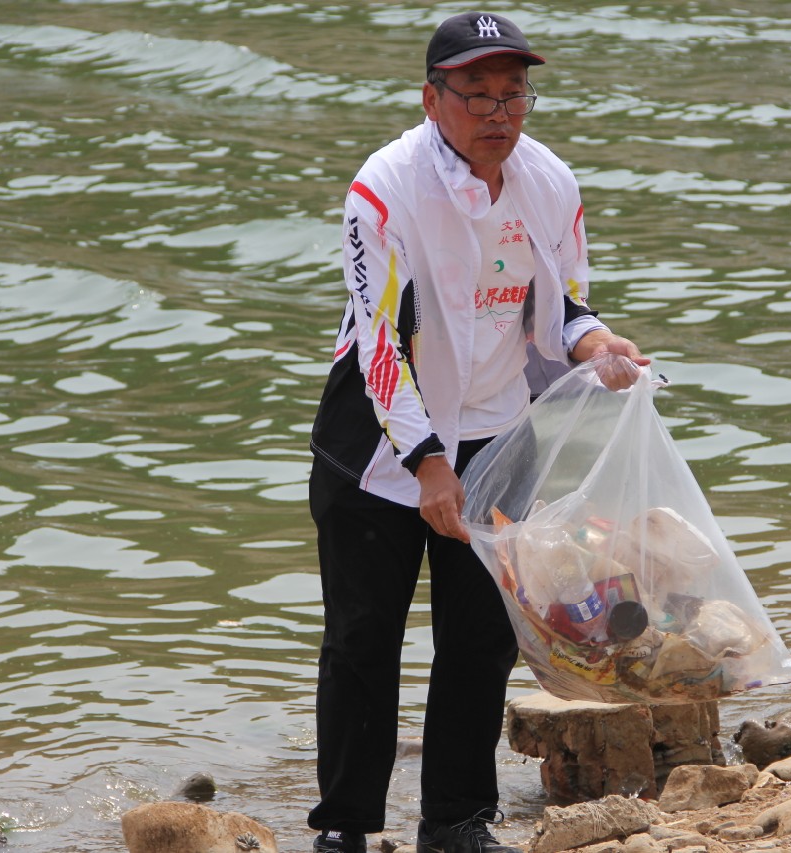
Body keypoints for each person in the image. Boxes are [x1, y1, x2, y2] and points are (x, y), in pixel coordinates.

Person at [307, 11, 648, 853]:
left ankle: (456, 821)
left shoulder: (551, 182)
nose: (500, 113)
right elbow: (380, 342)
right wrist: (426, 465)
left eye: (514, 94)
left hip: (500, 434)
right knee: (361, 639)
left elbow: (565, 304)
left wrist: (598, 345)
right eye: (478, 95)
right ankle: (344, 827)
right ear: (433, 98)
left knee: (481, 639)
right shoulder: (381, 190)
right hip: (379, 445)